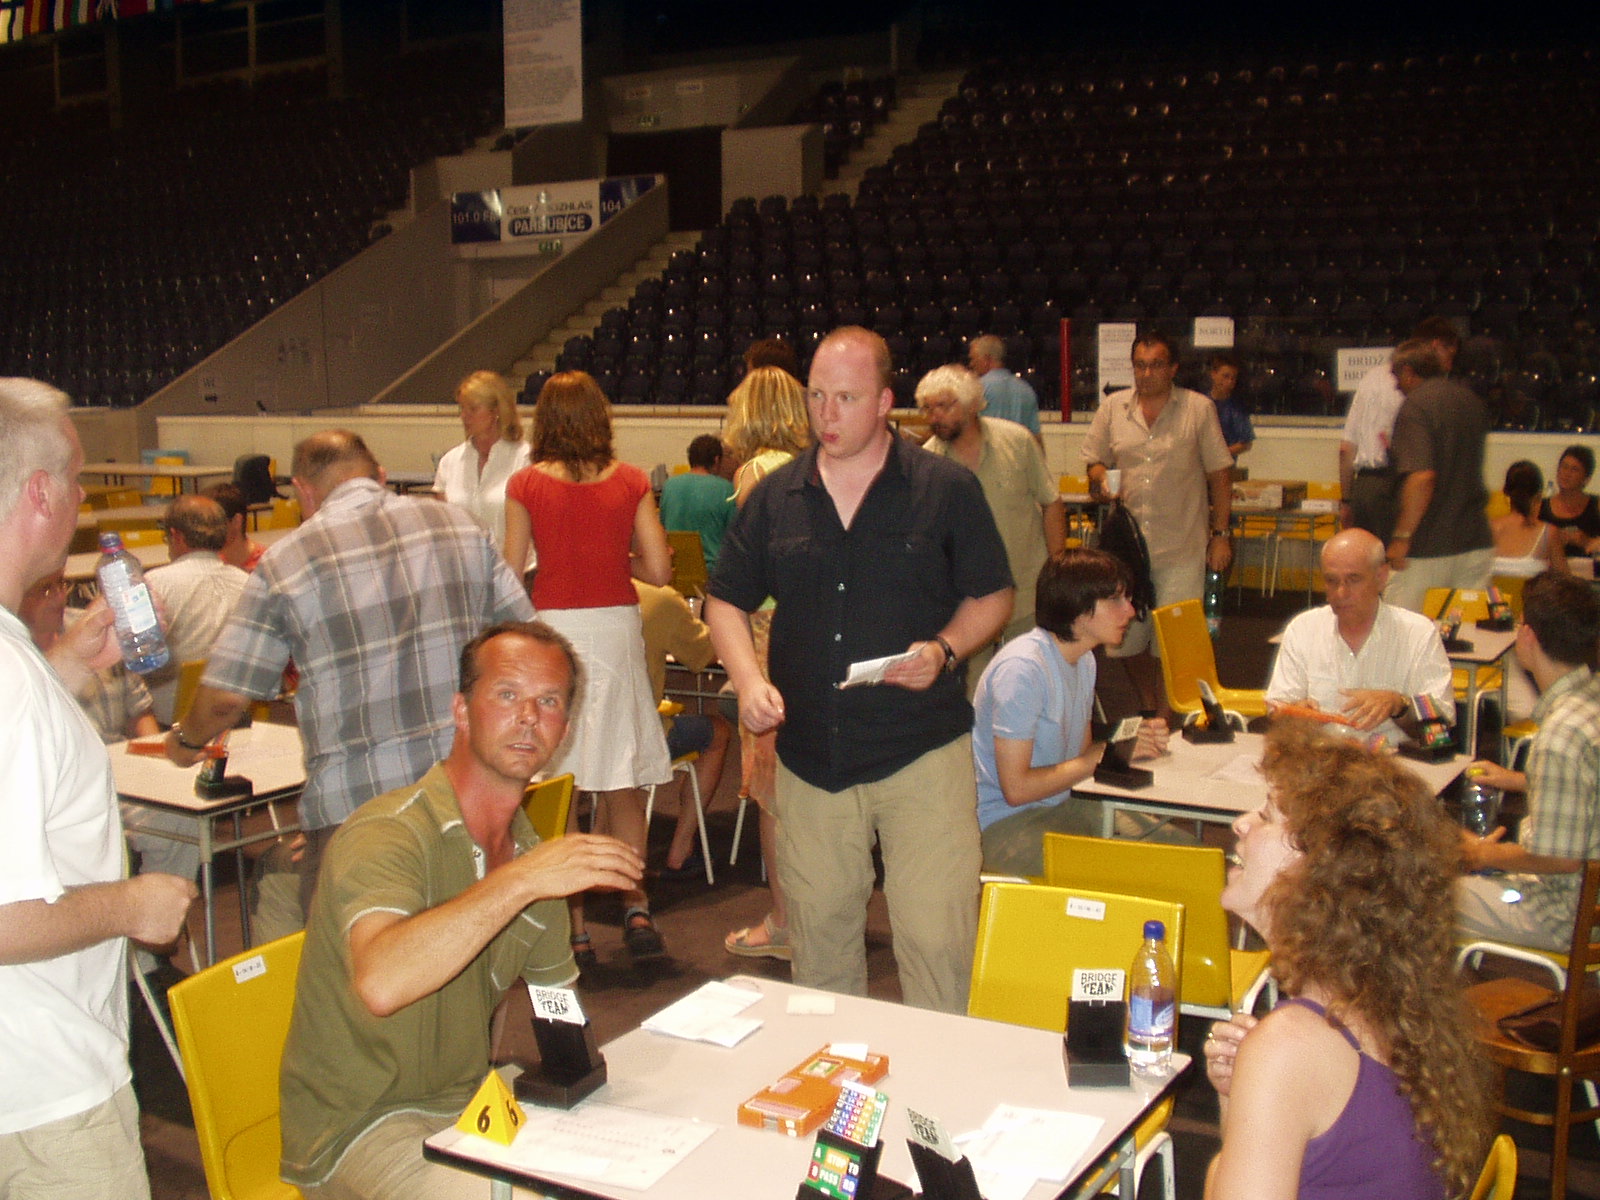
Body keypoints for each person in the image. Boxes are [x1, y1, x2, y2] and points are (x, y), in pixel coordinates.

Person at [278, 621, 644, 1198]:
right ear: (461, 710)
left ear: (565, 729)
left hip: (469, 1104)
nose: (529, 717)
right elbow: (382, 982)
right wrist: (521, 880)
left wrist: (585, 1096)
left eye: (549, 702)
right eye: (507, 694)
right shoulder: (388, 834)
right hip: (359, 1127)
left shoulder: (532, 861)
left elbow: (557, 1011)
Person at [707, 326, 1014, 1012]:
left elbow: (993, 594)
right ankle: (837, 1076)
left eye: (846, 397)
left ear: (883, 402)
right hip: (813, 758)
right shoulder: (778, 496)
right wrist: (749, 680)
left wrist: (944, 649)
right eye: (817, 395)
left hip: (921, 750)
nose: (827, 413)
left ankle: (939, 1076)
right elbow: (724, 600)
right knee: (820, 953)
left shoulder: (944, 489)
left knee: (937, 944)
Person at [165, 430, 533, 925]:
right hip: (468, 793)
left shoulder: (288, 561)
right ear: (380, 476)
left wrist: (185, 741)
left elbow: (227, 697)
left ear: (303, 490)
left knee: (350, 959)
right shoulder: (463, 528)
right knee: (473, 941)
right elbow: (526, 644)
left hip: (356, 810)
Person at [0, 377, 195, 1198]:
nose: (83, 498)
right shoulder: (8, 679)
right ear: (41, 493)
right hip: (44, 1087)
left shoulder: (16, 662)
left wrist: (74, 663)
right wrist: (132, 904)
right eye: (77, 479)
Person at [1202, 724, 1492, 1200]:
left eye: (1267, 816)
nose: (1241, 824)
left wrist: (1231, 1143)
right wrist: (1242, 1097)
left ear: (1318, 868)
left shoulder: (1290, 1045)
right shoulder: (1391, 1007)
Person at [503, 371, 674, 965]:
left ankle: (573, 926)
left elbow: (510, 573)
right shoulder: (631, 481)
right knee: (621, 776)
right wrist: (613, 556)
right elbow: (660, 570)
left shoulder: (525, 483)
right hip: (616, 629)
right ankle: (636, 904)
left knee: (562, 782)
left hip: (555, 631)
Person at [972, 549, 1170, 877]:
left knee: (1182, 858)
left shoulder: (1084, 660)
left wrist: (1126, 747)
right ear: (1078, 608)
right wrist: (1099, 757)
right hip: (1006, 824)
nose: (1131, 610)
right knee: (1137, 875)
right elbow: (1017, 790)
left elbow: (1078, 761)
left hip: (1063, 805)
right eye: (1116, 600)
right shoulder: (1022, 669)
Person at [1082, 330, 1233, 715]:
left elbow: (1219, 475)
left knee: (1175, 645)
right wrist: (1099, 478)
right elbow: (1094, 462)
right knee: (1126, 642)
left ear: (1173, 368)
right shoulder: (1113, 408)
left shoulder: (1198, 409)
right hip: (1127, 554)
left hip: (1181, 548)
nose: (1146, 373)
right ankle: (1148, 704)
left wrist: (1221, 535)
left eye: (1156, 365)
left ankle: (1164, 717)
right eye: (1140, 365)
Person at [716, 364, 811, 962]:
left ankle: (785, 922)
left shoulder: (755, 472)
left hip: (768, 636)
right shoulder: (810, 466)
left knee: (771, 793)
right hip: (806, 633)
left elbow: (756, 568)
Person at [1457, 572, 1600, 951]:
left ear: (1528, 636)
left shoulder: (1560, 735)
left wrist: (1483, 853)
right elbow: (1587, 782)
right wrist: (1518, 779)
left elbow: (1560, 859)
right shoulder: (1591, 697)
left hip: (1564, 913)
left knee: (1423, 896)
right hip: (1589, 898)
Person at [918, 364, 1066, 687]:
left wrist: (1058, 571)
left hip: (1027, 595)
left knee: (1032, 687)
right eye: (928, 408)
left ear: (972, 404)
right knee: (973, 697)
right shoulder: (926, 465)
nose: (934, 416)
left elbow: (1051, 503)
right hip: (968, 605)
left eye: (944, 406)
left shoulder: (1018, 441)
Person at [1265, 528, 1454, 744]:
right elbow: (1276, 711)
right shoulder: (1303, 629)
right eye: (1331, 581)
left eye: (1353, 580)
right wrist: (1294, 715)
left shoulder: (1418, 633)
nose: (1341, 593)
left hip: (1392, 759)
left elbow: (1442, 723)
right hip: (1319, 756)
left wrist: (1400, 705)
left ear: (1381, 577)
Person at [1384, 337, 1493, 612]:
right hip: (1475, 540)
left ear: (1409, 371)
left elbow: (1423, 479)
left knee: (1405, 628)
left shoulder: (1416, 406)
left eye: (1397, 376)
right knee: (1466, 630)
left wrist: (1402, 537)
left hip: (1427, 546)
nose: (1396, 385)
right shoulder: (1471, 401)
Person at [633, 577, 732, 879]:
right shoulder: (659, 599)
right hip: (640, 739)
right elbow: (705, 656)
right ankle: (681, 849)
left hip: (581, 742)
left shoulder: (575, 592)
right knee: (718, 731)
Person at [1338, 316, 1461, 544]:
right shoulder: (1421, 389)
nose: (1450, 365)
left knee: (1365, 561)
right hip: (1398, 487)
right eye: (1450, 355)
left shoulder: (1371, 378)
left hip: (1363, 488)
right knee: (1398, 560)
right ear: (1435, 346)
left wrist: (1346, 501)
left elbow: (1346, 449)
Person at [144, 494, 248, 725]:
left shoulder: (154, 584)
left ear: (176, 536)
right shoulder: (247, 583)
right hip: (235, 711)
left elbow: (137, 655)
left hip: (168, 717)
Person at [431, 369, 531, 555]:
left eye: (473, 409)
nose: (464, 416)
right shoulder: (449, 462)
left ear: (496, 411)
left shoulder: (525, 459)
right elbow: (444, 530)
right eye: (462, 408)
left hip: (515, 568)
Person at [659, 432, 735, 570]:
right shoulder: (726, 489)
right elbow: (735, 534)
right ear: (716, 460)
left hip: (675, 569)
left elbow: (662, 526)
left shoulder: (669, 486)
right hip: (712, 571)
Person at [1492, 460, 1569, 580]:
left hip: (1492, 593)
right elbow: (1566, 582)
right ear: (1538, 495)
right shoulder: (1548, 532)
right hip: (1533, 593)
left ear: (1505, 492)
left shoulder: (1489, 528)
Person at [967, 333, 1041, 438]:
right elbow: (1036, 436)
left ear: (987, 359)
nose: (971, 364)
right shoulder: (1026, 390)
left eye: (973, 359)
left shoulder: (977, 388)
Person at [1539, 444, 1600, 554]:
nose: (1566, 474)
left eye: (1574, 469)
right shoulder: (1540, 507)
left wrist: (1587, 541)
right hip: (1550, 564)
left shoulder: (1597, 505)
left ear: (1586, 479)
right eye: (1564, 467)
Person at [202, 480, 269, 572]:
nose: (206, 531)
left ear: (236, 521)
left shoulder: (267, 565)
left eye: (214, 523)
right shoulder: (207, 564)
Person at [1205, 350, 1254, 463]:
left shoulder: (1237, 408)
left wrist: (1219, 454)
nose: (1229, 382)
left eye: (1233, 378)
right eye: (1225, 376)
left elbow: (1245, 443)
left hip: (1224, 465)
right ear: (1213, 374)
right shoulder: (1199, 403)